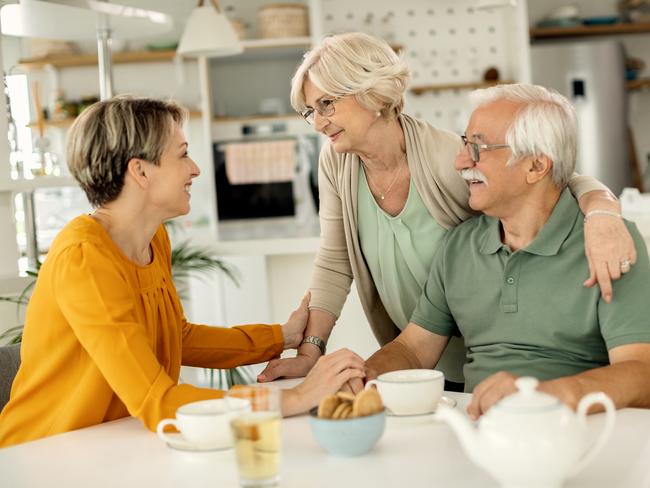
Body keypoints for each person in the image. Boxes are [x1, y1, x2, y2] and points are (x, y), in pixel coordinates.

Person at [258, 32, 637, 388]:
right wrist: (312, 352)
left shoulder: (446, 159)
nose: (318, 122)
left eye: (327, 103)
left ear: (372, 93)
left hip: (474, 355)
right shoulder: (338, 161)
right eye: (310, 110)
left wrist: (603, 212)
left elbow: (552, 177)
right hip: (416, 355)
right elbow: (335, 260)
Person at [0, 96, 365, 448]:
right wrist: (296, 398)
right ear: (140, 171)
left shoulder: (153, 238)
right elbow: (157, 401)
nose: (195, 169)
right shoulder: (84, 259)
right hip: (43, 454)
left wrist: (281, 337)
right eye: (183, 154)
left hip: (110, 444)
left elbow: (178, 337)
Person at [362, 83, 650, 417]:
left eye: (478, 147)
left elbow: (642, 374)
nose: (460, 161)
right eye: (464, 144)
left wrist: (541, 397)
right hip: (478, 429)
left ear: (535, 166)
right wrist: (363, 375)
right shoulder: (460, 244)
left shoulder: (609, 243)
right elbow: (413, 350)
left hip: (576, 432)